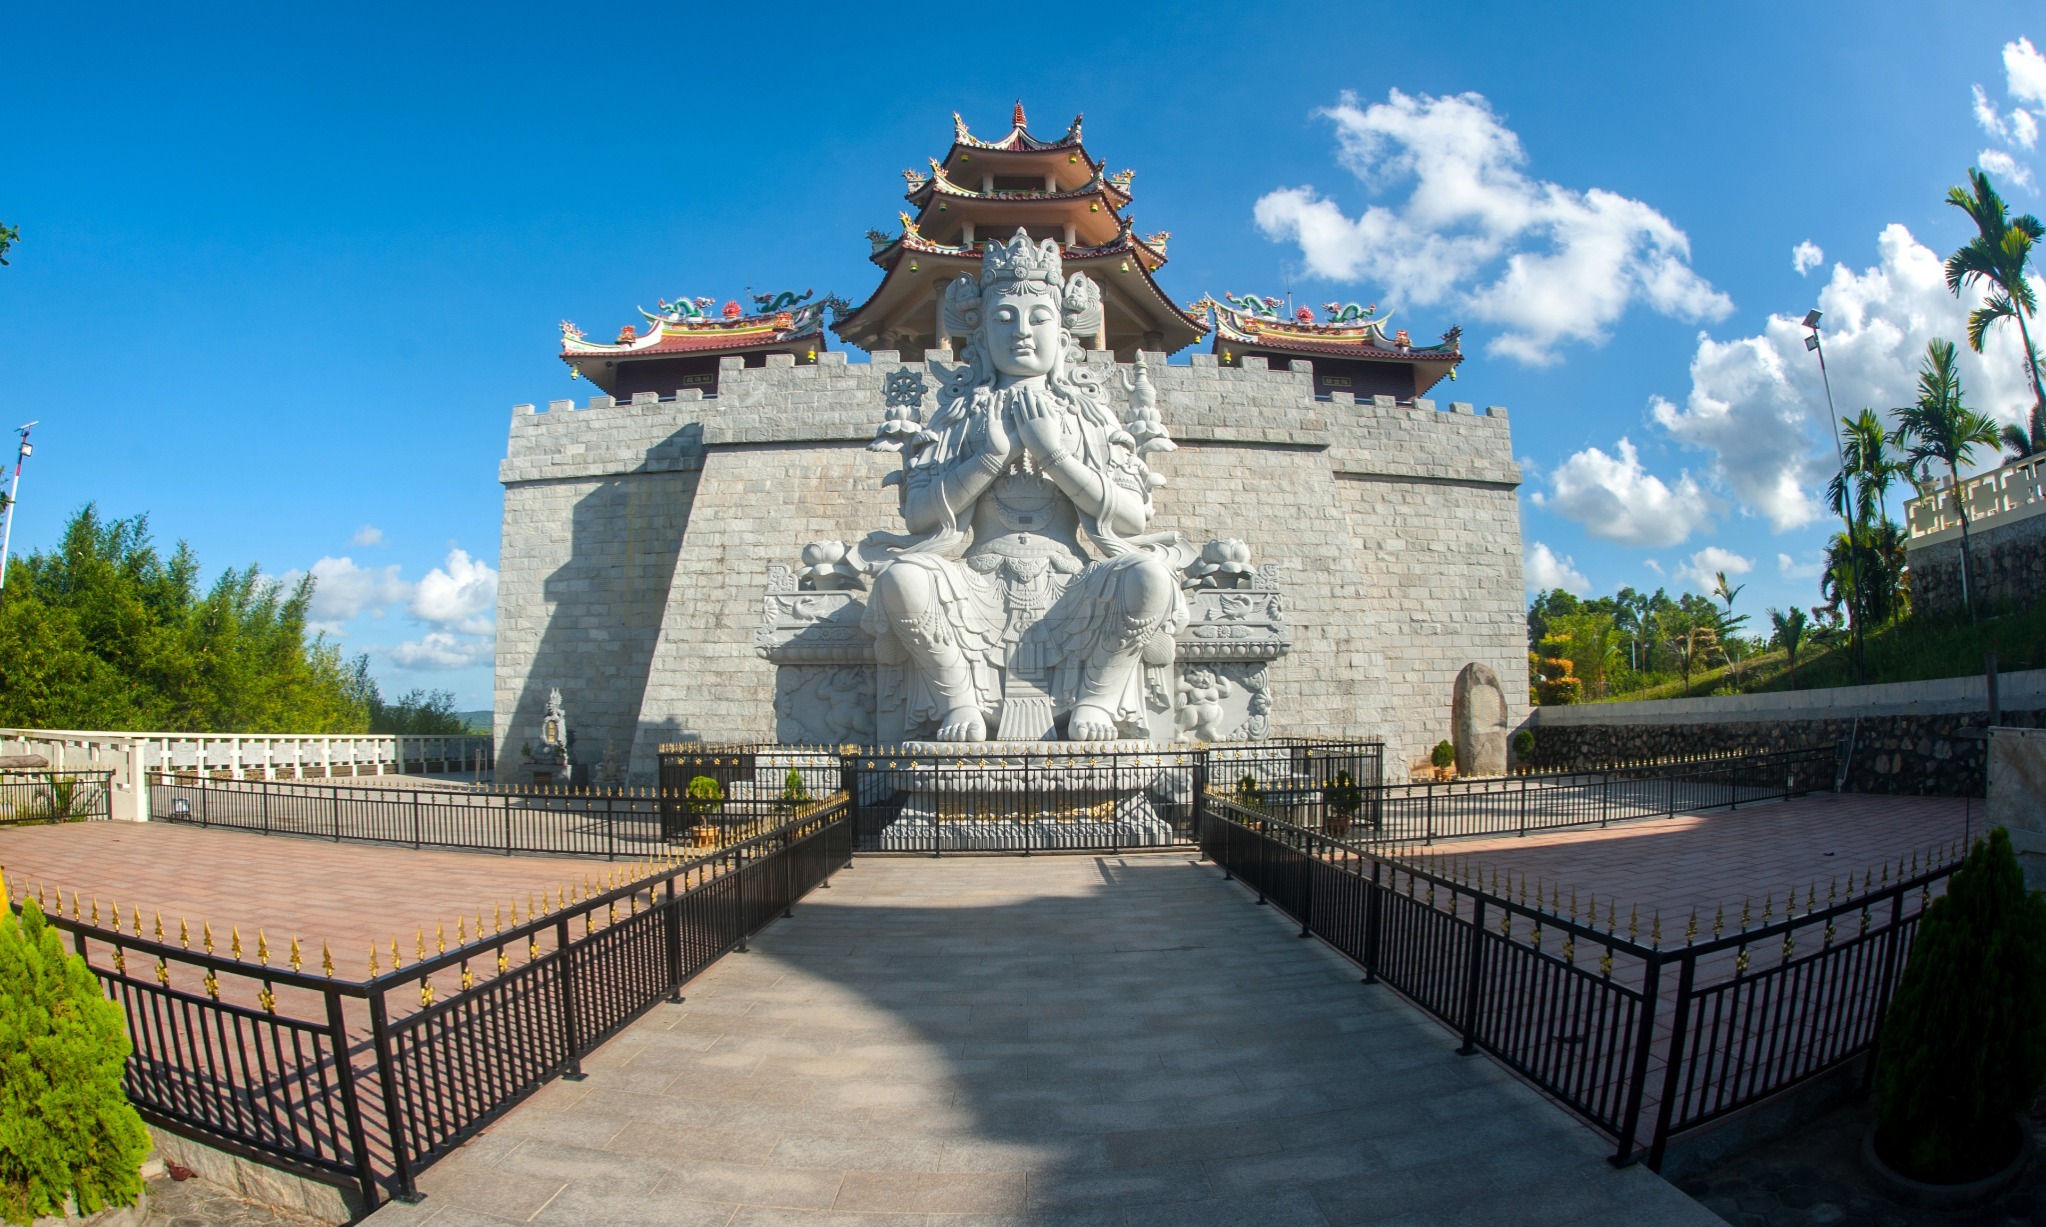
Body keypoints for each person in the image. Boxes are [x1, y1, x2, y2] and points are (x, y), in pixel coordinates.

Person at [864, 231, 1186, 742]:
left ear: (1062, 335)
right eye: (1003, 318)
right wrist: (991, 457)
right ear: (981, 334)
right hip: (977, 581)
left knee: (1147, 575)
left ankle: (1098, 703)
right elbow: (920, 518)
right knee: (905, 578)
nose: (1021, 332)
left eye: (1039, 318)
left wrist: (1054, 454)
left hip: (1072, 582)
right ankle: (959, 703)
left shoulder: (1089, 415)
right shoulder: (959, 413)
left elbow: (1131, 519)